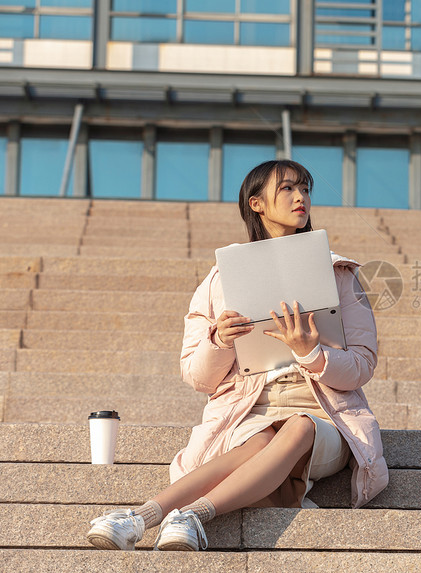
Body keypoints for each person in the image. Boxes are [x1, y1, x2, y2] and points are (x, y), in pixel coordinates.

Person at [86, 159, 388, 551]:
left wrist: (310, 353)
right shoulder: (219, 281)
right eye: (288, 189)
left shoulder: (341, 274)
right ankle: (137, 518)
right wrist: (219, 342)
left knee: (297, 425)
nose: (301, 197)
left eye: (306, 189)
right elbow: (197, 378)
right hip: (248, 418)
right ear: (256, 203)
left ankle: (194, 515)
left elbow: (363, 364)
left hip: (324, 416)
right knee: (262, 439)